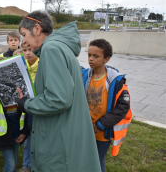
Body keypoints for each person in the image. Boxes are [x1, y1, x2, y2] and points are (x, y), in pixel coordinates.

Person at [16, 11, 101, 171]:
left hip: (59, 142)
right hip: (67, 135)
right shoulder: (59, 47)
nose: (24, 41)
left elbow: (59, 99)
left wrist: (26, 104)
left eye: (24, 34)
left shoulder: (51, 49)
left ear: (37, 29)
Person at [81, 39, 132, 172]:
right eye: (89, 55)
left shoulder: (116, 81)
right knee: (82, 160)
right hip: (85, 129)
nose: (91, 59)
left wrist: (100, 125)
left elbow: (122, 108)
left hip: (102, 132)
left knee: (97, 161)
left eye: (96, 56)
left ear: (106, 59)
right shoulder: (84, 76)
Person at [18, 43, 38, 172]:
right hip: (26, 106)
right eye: (24, 50)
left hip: (39, 106)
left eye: (31, 50)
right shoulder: (21, 65)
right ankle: (27, 165)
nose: (27, 53)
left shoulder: (43, 65)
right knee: (28, 139)